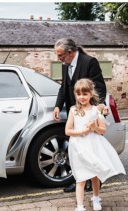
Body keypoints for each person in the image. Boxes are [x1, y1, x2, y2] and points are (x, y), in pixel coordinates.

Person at [65, 79, 126, 211]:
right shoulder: (73, 110)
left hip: (93, 145)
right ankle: (80, 209)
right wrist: (82, 132)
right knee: (80, 178)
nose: (81, 97)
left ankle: (96, 197)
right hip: (79, 147)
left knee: (95, 175)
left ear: (91, 93)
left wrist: (94, 127)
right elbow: (67, 130)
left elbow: (102, 131)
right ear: (75, 95)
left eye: (85, 94)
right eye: (78, 94)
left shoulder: (96, 110)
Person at [53, 38, 108, 193]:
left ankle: (94, 183)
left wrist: (96, 111)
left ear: (70, 52)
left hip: (89, 113)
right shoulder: (66, 66)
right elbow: (63, 88)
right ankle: (80, 180)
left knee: (91, 151)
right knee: (77, 152)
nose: (59, 59)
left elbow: (100, 88)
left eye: (61, 55)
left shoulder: (89, 62)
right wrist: (58, 105)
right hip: (76, 113)